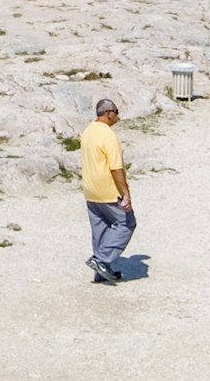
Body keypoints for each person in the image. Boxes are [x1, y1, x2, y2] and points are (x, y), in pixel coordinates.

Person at [80, 98, 135, 285]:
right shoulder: (108, 136)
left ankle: (101, 272)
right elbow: (116, 168)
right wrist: (126, 193)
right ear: (109, 113)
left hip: (90, 189)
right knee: (126, 223)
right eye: (117, 112)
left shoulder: (88, 131)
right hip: (107, 190)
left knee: (100, 228)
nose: (118, 116)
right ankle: (101, 260)